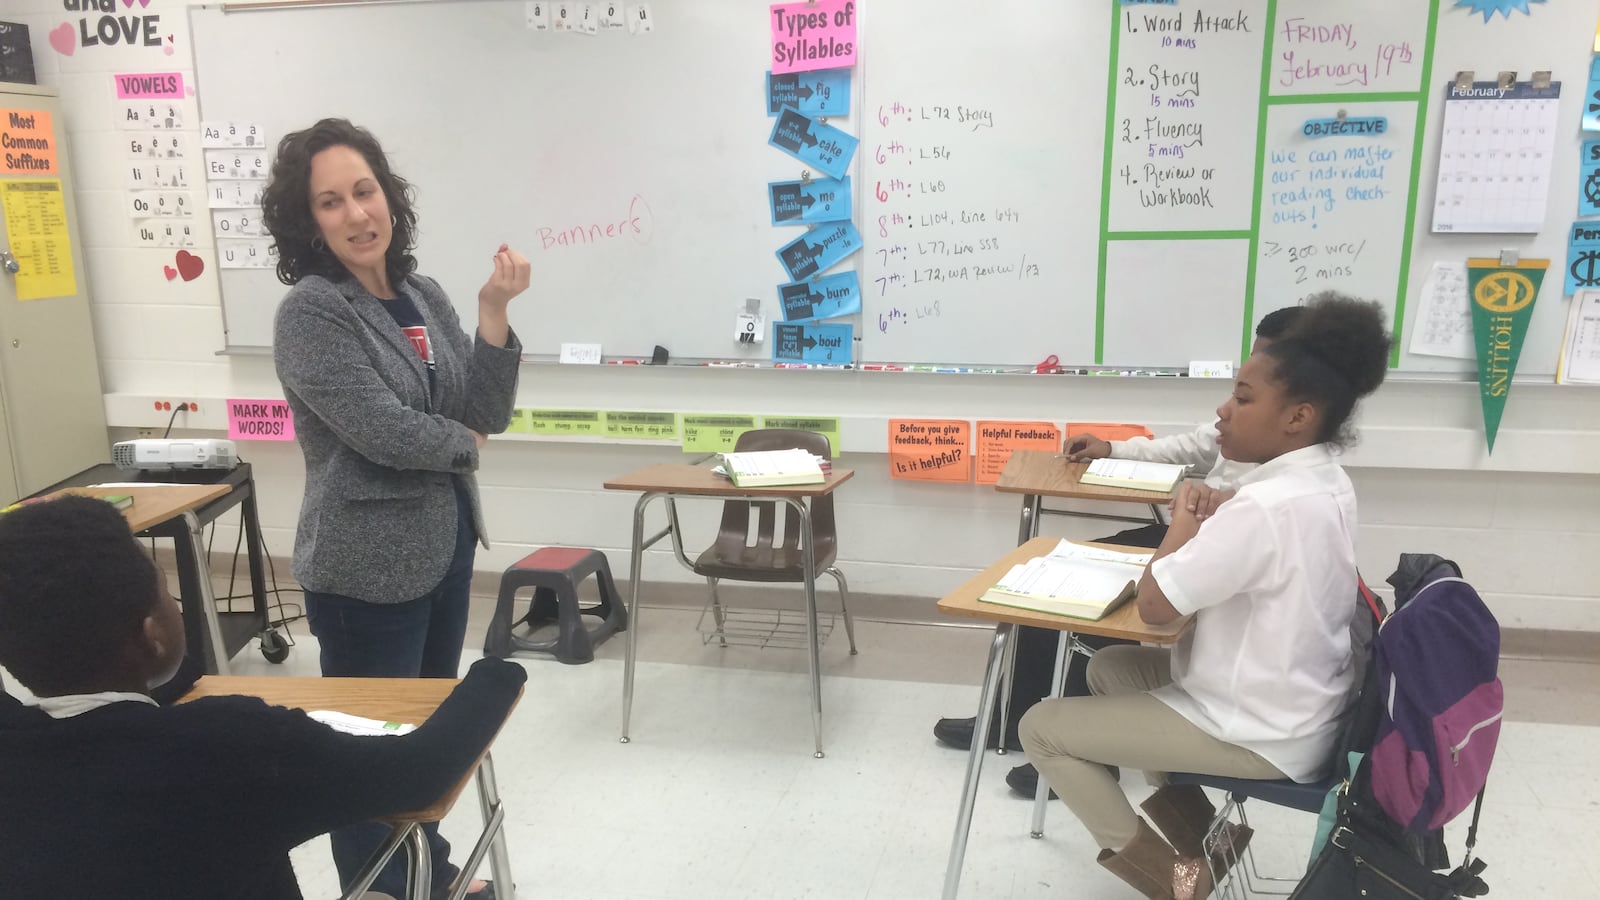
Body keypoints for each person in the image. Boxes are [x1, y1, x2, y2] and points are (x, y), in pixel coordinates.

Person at [1019, 294, 1392, 900]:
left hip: (1260, 732)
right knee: (1112, 669)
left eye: (1243, 399)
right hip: (1303, 707)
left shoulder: (1266, 506)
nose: (1222, 412)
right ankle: (1209, 849)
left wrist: (1182, 523)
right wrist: (1209, 517)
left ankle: (1173, 887)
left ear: (1297, 417)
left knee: (1041, 727)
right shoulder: (1323, 480)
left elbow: (1156, 606)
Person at [0, 495, 527, 900]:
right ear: (151, 634)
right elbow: (420, 771)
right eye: (168, 596)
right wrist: (494, 672)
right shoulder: (228, 745)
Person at [262, 117, 528, 899]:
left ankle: (427, 876)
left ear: (389, 196)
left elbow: (486, 409)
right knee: (368, 753)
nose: (356, 214)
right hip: (362, 569)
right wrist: (464, 439)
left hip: (443, 543)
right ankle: (379, 889)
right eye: (331, 202)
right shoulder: (311, 313)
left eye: (365, 191)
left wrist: (491, 316)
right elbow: (383, 432)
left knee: (425, 744)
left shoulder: (423, 294)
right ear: (308, 222)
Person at [933, 306, 1307, 800]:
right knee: (1047, 573)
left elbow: (1258, 517)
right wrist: (1112, 448)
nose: (1236, 394)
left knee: (1090, 598)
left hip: (1211, 551)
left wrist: (1213, 508)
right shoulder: (1249, 422)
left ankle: (1090, 751)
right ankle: (1012, 714)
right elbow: (1192, 447)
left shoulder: (1292, 470)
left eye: (1261, 369)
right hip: (1194, 534)